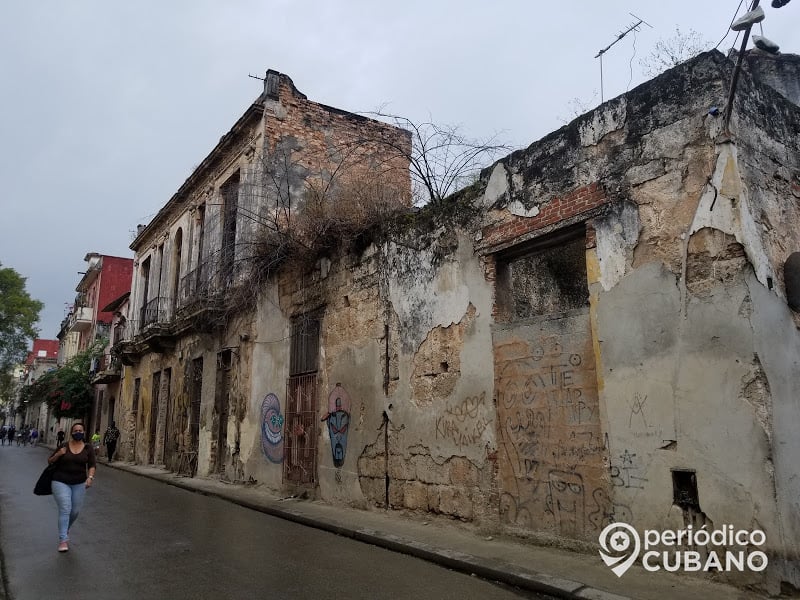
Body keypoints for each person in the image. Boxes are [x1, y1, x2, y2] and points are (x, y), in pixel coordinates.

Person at [47, 422, 96, 553]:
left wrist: (90, 478)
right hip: (60, 481)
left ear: (84, 432)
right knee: (65, 508)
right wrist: (58, 454)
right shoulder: (63, 446)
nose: (78, 432)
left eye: (80, 430)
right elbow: (50, 460)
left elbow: (92, 465)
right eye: (76, 430)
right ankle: (63, 539)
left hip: (79, 483)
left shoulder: (88, 448)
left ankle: (65, 528)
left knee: (75, 511)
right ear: (71, 432)